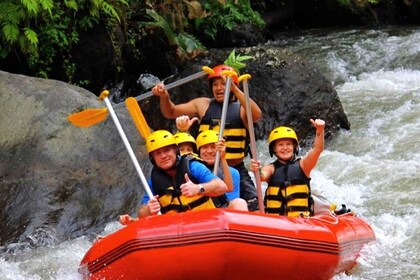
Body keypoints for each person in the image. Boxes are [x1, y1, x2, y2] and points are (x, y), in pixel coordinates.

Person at [152, 65, 262, 211]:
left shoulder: (242, 109)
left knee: (255, 206)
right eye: (215, 84)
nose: (218, 88)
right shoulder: (203, 104)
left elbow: (256, 115)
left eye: (223, 83)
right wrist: (164, 96)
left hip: (235, 168)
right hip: (204, 168)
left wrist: (234, 88)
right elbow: (170, 111)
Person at [119, 130, 227, 225]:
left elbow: (222, 186)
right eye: (158, 153)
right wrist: (148, 209)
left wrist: (199, 188)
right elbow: (141, 213)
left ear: (175, 150)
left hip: (207, 222)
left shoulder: (193, 166)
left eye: (167, 150)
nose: (163, 156)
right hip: (176, 230)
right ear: (153, 158)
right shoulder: (153, 181)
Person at [250, 119, 325, 217]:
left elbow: (317, 150)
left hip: (300, 221)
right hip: (276, 223)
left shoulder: (304, 165)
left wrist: (320, 131)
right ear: (274, 149)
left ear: (294, 147)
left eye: (288, 144)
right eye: (280, 145)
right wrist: (257, 169)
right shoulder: (271, 168)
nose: (285, 148)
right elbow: (261, 177)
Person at [195, 129, 248, 211]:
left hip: (222, 212)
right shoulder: (194, 169)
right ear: (198, 151)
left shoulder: (233, 173)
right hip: (200, 211)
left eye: (213, 147)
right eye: (205, 147)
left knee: (239, 203)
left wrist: (223, 158)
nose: (209, 151)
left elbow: (230, 193)